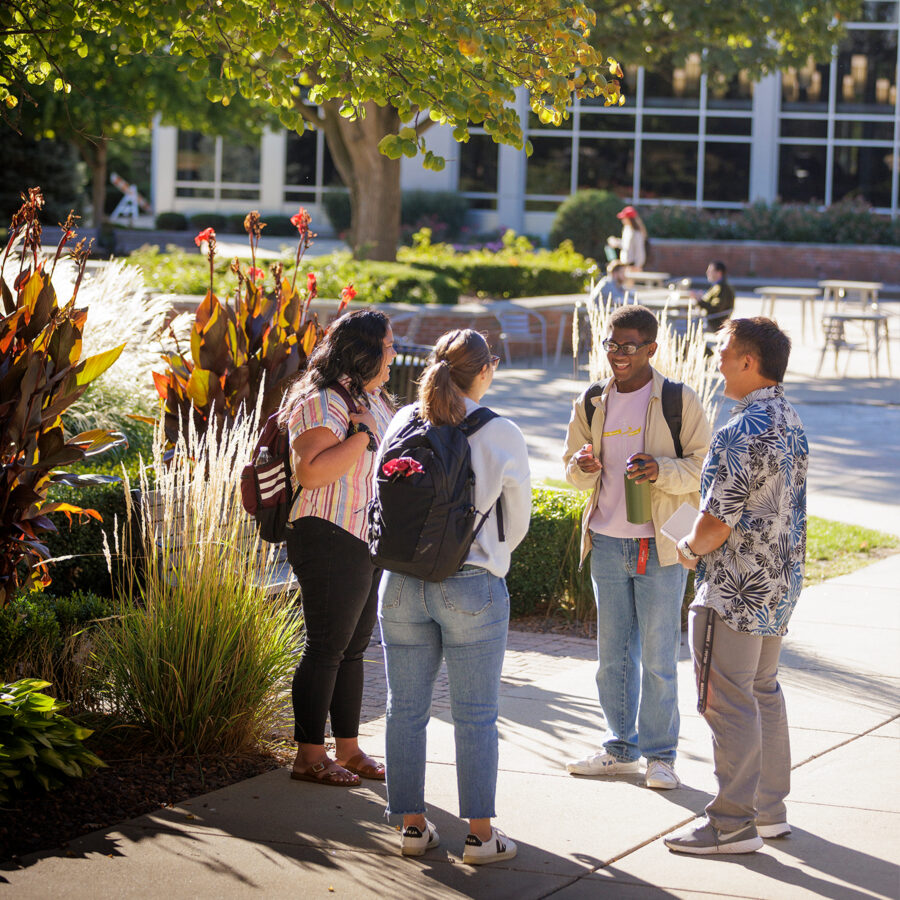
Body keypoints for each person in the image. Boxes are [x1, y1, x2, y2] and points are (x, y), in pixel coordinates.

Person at [377, 329, 531, 864]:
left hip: (398, 584)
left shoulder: (401, 420)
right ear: (485, 370)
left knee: (404, 710)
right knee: (475, 714)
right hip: (470, 585)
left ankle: (412, 828)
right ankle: (481, 837)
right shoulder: (500, 431)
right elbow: (519, 522)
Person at [665, 317, 808, 856]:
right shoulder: (789, 420)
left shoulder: (739, 430)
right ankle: (769, 812)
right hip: (777, 582)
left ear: (749, 362)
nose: (716, 361)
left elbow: (716, 523)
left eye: (724, 352)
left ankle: (730, 824)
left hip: (733, 587)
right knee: (763, 691)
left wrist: (688, 549)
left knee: (728, 703)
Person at [562, 305, 711, 789]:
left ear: (651, 349)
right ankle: (618, 748)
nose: (618, 355)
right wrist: (581, 467)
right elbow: (569, 467)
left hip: (662, 546)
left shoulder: (676, 399)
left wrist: (660, 470)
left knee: (658, 656)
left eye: (630, 347)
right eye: (611, 344)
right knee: (612, 657)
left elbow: (705, 467)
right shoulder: (590, 401)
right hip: (606, 540)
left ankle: (660, 756)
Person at [279, 309, 397, 787]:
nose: (394, 353)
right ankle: (309, 755)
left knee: (352, 649)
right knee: (326, 648)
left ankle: (347, 750)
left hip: (364, 536)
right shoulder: (323, 399)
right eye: (388, 345)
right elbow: (311, 470)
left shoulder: (373, 397)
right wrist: (364, 434)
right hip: (327, 533)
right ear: (366, 350)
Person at [607, 205, 648, 271]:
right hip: (625, 264)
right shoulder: (627, 229)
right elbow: (626, 245)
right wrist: (616, 242)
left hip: (632, 266)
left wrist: (638, 265)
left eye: (624, 218)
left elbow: (639, 251)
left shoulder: (637, 233)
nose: (622, 220)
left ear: (629, 219)